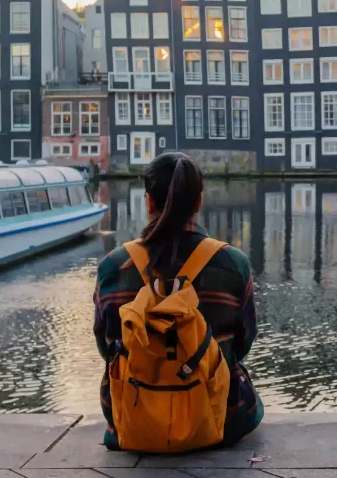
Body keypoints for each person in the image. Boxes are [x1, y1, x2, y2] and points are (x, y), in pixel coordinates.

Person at [92, 152, 263, 450]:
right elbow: (242, 343)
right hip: (222, 417)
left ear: (148, 202)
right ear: (198, 202)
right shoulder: (233, 263)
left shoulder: (113, 266)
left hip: (132, 419)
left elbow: (107, 348)